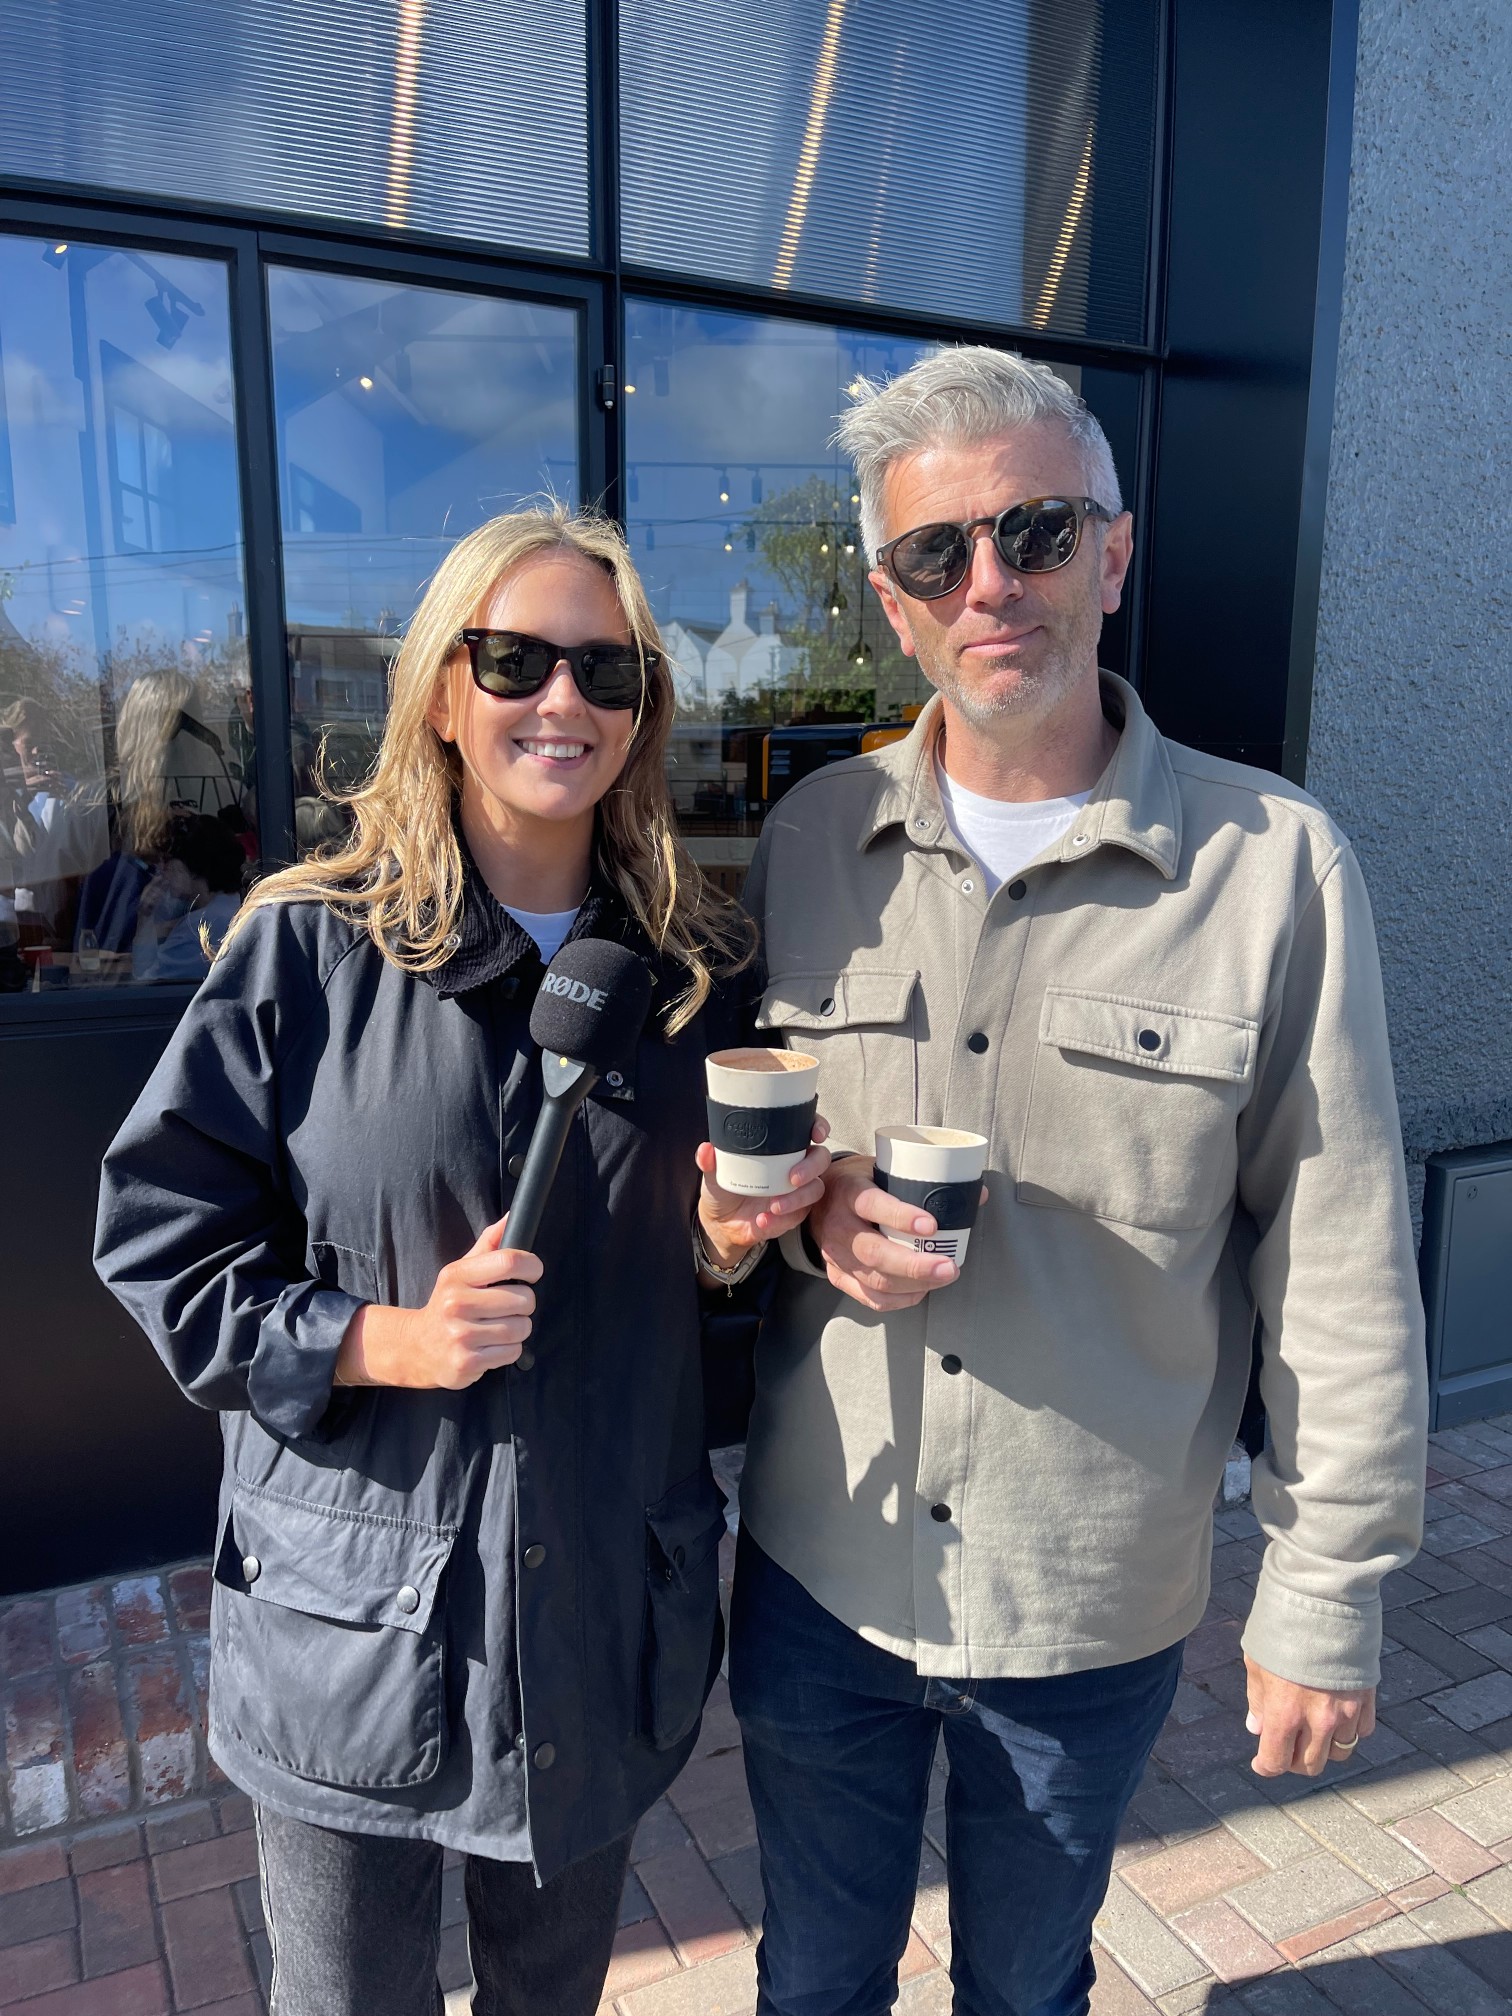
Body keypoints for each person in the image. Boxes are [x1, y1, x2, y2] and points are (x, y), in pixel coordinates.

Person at [730, 347, 1427, 2016]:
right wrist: (803, 1216)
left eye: (1037, 532)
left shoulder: (1277, 870)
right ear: (892, 603)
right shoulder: (812, 841)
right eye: (935, 556)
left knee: (1027, 1992)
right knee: (810, 1983)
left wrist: (1326, 1590)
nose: (992, 585)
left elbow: (1336, 1257)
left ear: (1115, 553)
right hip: (827, 1572)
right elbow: (749, 1178)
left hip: (1085, 1598)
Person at [94, 505, 828, 2016]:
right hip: (354, 1632)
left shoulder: (701, 973)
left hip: (600, 1621)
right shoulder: (307, 950)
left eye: (606, 672)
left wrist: (726, 1254)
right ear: (443, 689)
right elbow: (158, 1237)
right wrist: (373, 1340)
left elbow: (718, 1297)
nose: (562, 702)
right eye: (516, 660)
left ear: (642, 711)